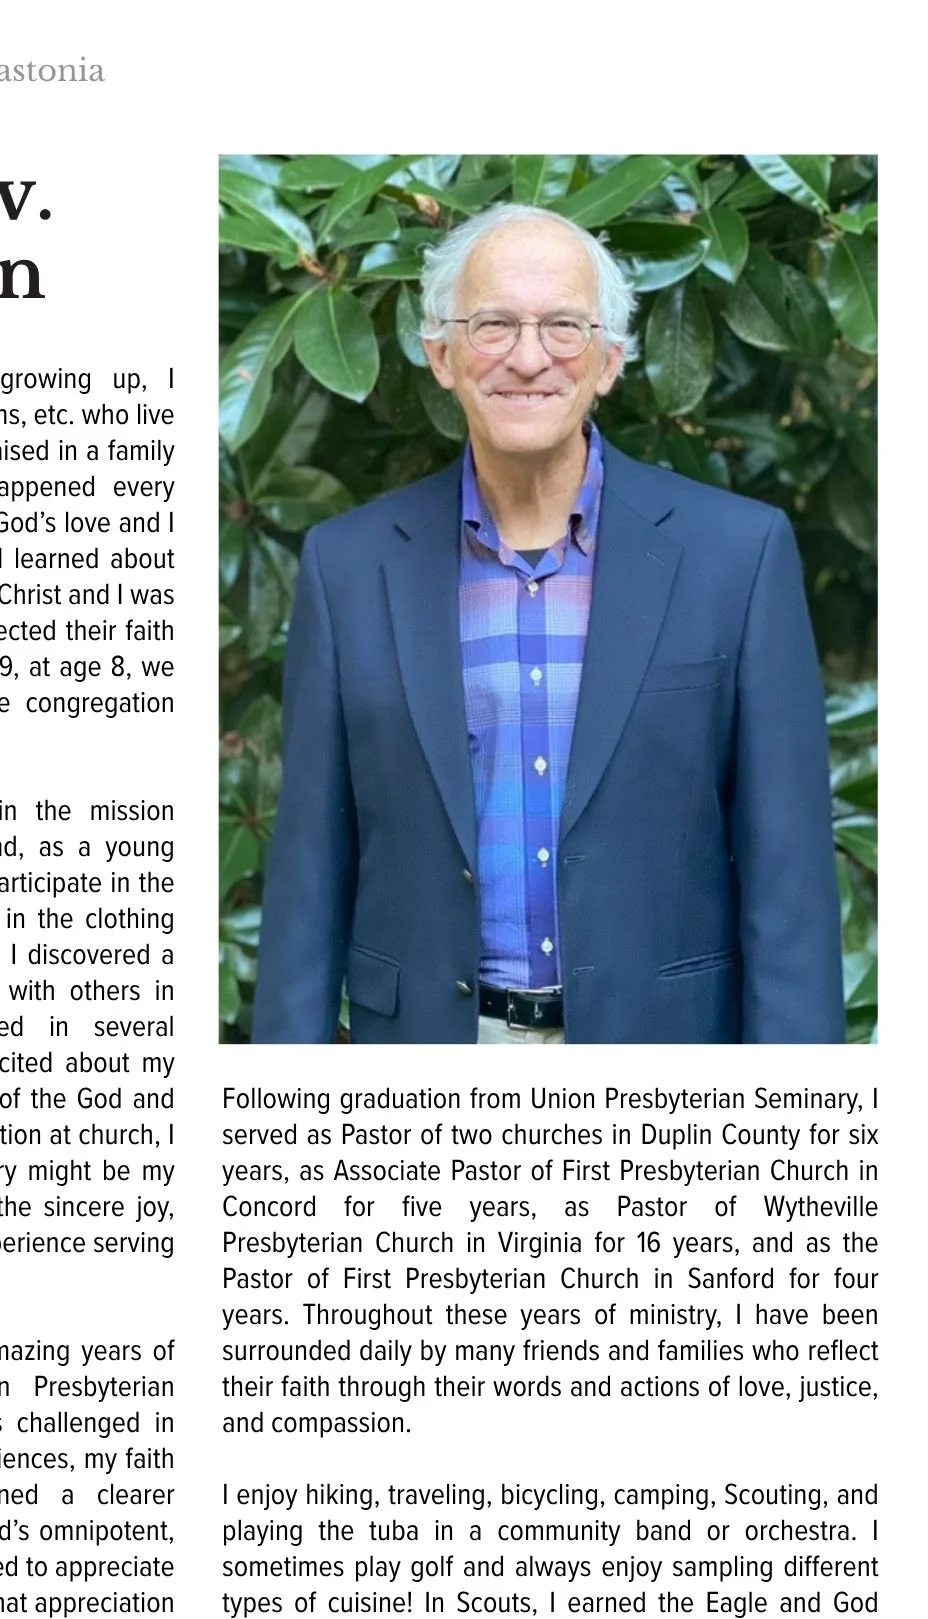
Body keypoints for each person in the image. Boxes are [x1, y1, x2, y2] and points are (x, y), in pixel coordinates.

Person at [250, 202, 844, 1045]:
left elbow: (788, 880)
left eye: (563, 328)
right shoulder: (346, 566)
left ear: (607, 360)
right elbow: (309, 872)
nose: (527, 359)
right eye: (492, 324)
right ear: (440, 353)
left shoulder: (736, 555)